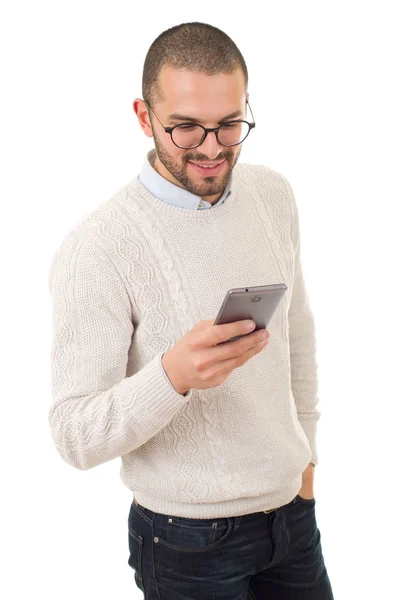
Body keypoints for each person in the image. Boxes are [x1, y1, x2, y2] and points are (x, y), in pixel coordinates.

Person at [48, 20, 334, 600]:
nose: (211, 147)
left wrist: (306, 464)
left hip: (292, 519)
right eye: (185, 128)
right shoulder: (97, 248)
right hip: (186, 544)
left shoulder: (272, 194)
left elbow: (297, 337)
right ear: (143, 116)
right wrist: (171, 378)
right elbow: (73, 434)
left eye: (230, 125)